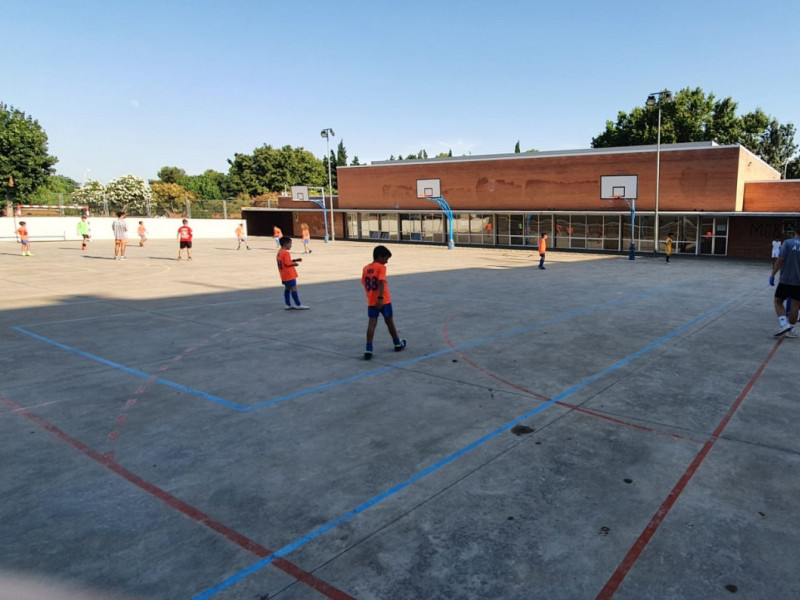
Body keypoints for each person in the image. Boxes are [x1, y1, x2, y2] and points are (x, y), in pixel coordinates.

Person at [361, 245, 406, 360]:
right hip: (384, 300)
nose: (386, 262)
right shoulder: (381, 267)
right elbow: (381, 282)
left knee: (372, 323)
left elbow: (364, 283)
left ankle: (368, 348)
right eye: (386, 259)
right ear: (380, 257)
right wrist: (380, 298)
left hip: (371, 300)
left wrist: (373, 296)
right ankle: (397, 343)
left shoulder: (366, 268)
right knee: (389, 321)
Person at [769, 222, 800, 337]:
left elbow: (780, 260)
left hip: (786, 279)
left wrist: (772, 275)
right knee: (795, 305)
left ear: (794, 232)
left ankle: (783, 324)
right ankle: (791, 329)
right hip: (799, 282)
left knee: (778, 301)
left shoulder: (788, 243)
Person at [276, 236, 309, 310]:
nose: (291, 246)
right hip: (289, 274)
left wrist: (294, 260)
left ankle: (287, 304)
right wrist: (294, 264)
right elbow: (287, 263)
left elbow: (284, 262)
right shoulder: (286, 253)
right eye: (290, 244)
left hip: (283, 274)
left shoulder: (279, 253)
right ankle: (298, 304)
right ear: (285, 244)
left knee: (287, 289)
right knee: (293, 288)